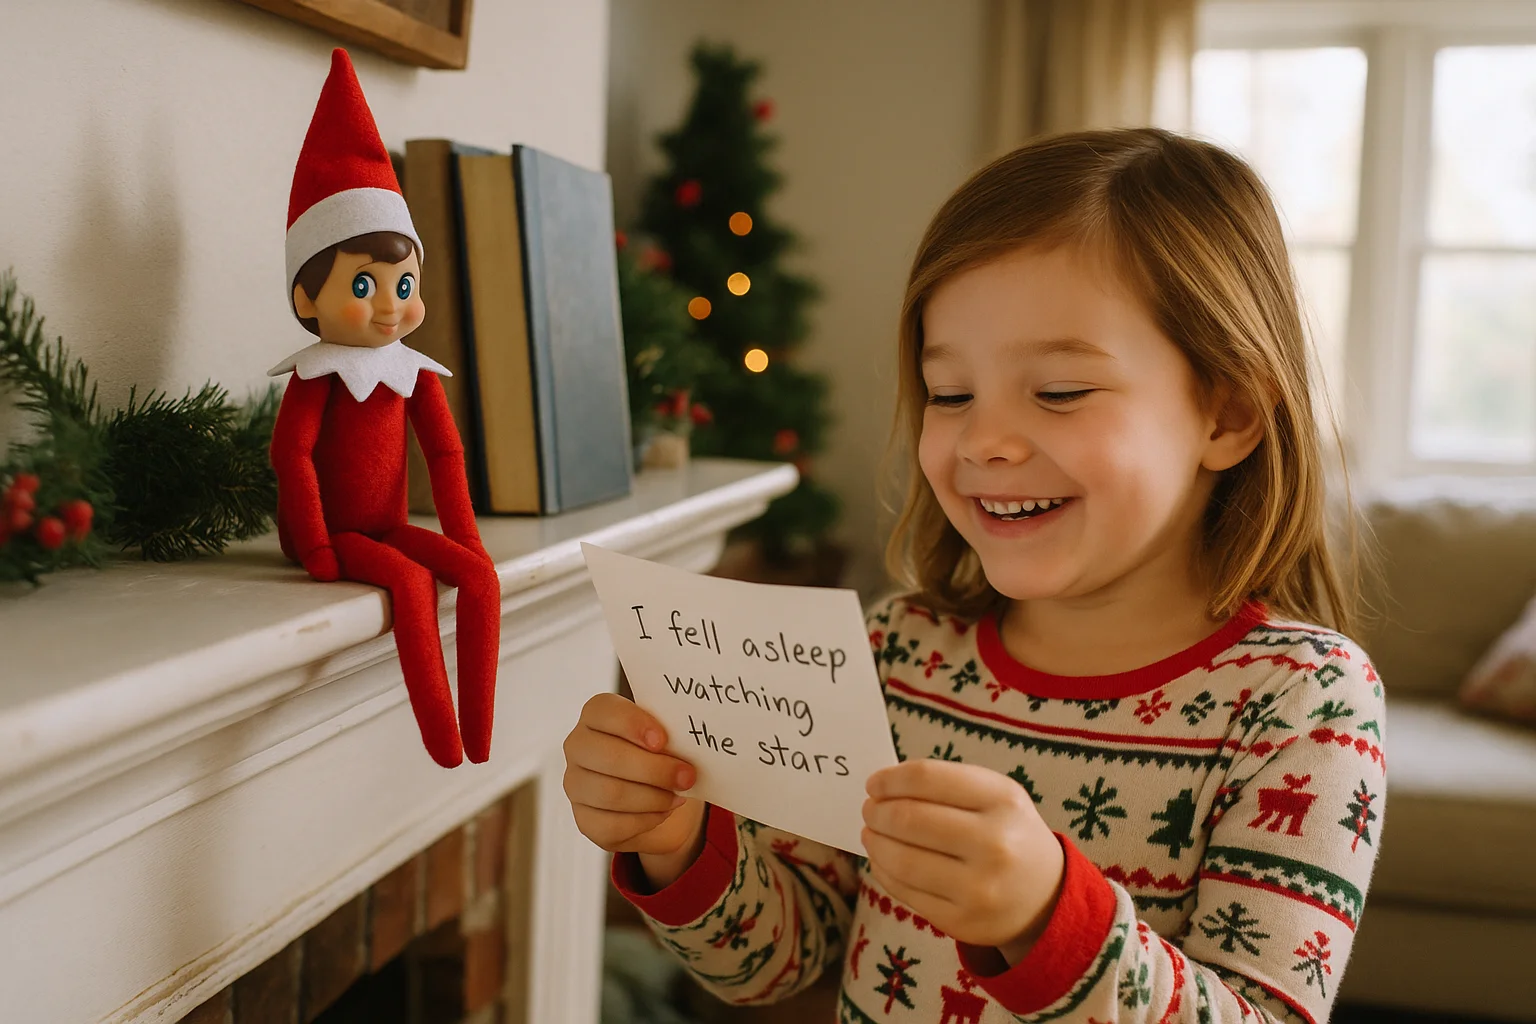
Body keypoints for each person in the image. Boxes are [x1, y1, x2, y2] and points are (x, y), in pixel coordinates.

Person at [564, 127, 1385, 1022]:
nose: (983, 440)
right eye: (949, 394)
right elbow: (772, 966)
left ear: (1225, 414)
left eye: (1061, 392)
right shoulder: (900, 649)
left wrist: (1048, 924)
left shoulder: (1304, 703)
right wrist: (677, 841)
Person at [269, 49, 501, 769]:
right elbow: (292, 455)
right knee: (408, 581)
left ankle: (480, 733)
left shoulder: (414, 372)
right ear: (307, 299)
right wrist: (316, 547)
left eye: (404, 287)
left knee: (481, 581)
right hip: (338, 535)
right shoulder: (317, 375)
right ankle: (443, 742)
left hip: (392, 522)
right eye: (365, 287)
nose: (391, 310)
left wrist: (468, 539)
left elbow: (445, 452)